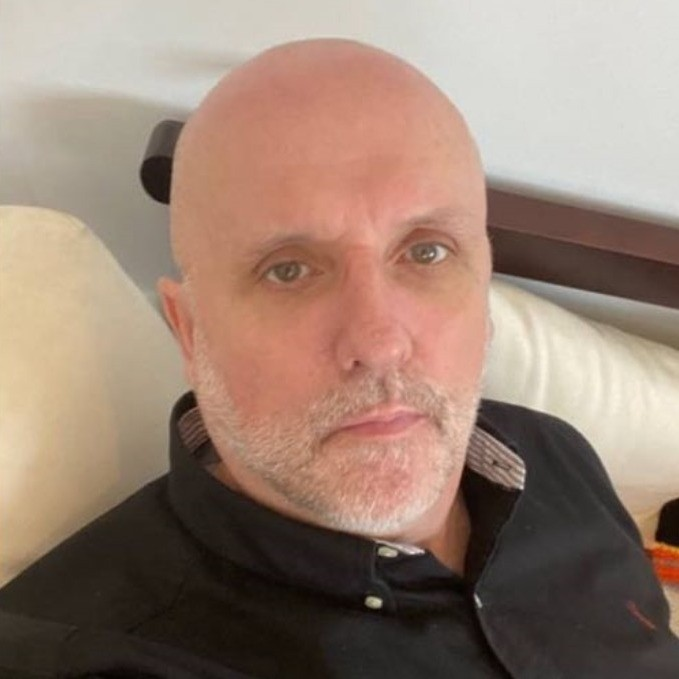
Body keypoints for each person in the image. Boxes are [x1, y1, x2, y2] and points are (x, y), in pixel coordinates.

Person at [0, 38, 677, 678]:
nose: (379, 344)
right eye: (288, 270)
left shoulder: (555, 454)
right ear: (189, 331)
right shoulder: (86, 651)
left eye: (426, 251)